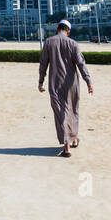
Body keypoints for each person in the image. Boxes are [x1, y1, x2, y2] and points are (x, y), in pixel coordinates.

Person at [38, 19, 93, 157]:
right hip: (71, 84)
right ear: (68, 31)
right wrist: (88, 81)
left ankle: (68, 145)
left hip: (55, 84)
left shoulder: (49, 42)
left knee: (60, 113)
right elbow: (81, 64)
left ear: (57, 29)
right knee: (72, 111)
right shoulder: (73, 43)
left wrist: (41, 81)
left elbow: (43, 63)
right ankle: (72, 139)